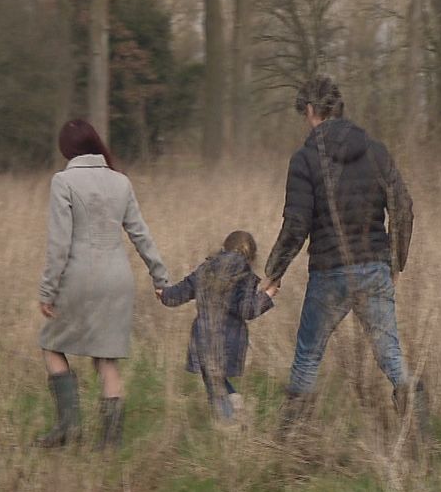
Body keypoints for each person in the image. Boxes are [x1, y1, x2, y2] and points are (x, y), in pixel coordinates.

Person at [263, 74, 427, 442]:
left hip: (329, 273)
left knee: (307, 355)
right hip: (374, 267)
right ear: (339, 108)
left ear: (309, 110)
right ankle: (421, 439)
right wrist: (395, 261)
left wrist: (273, 272)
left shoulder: (305, 159)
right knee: (391, 355)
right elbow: (403, 210)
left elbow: (297, 224)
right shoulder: (376, 151)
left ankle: (287, 444)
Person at [37, 119, 170, 450]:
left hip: (79, 279)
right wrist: (160, 277)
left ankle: (69, 427)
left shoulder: (63, 181)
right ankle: (110, 444)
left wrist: (47, 290)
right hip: (117, 280)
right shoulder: (120, 182)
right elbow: (141, 233)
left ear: (67, 149)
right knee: (105, 359)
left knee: (52, 346)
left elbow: (59, 244)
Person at [158, 231, 279, 421]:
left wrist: (164, 294)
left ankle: (229, 422)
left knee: (213, 383)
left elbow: (177, 295)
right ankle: (234, 401)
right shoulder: (246, 275)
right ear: (251, 256)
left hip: (204, 337)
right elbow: (247, 310)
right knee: (217, 379)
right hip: (232, 341)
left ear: (224, 247)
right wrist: (268, 295)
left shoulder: (205, 269)